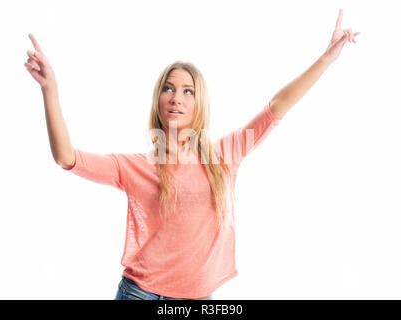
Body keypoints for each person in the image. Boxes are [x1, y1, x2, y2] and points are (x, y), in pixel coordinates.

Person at [24, 9, 358, 300]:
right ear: (158, 99)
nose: (176, 97)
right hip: (138, 293)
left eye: (188, 91)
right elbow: (67, 157)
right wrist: (50, 89)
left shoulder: (225, 154)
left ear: (199, 104)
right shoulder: (134, 167)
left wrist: (327, 58)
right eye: (168, 88)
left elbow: (277, 107)